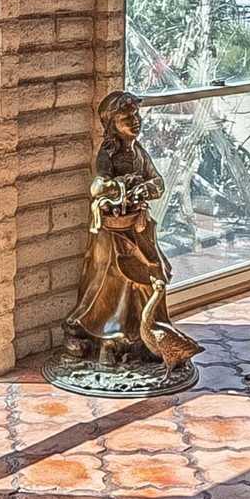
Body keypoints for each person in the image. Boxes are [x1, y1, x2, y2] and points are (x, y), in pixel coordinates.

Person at [67, 90, 198, 370]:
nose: (135, 121)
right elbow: (98, 186)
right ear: (112, 123)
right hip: (113, 233)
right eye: (126, 117)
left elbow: (158, 183)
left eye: (136, 115)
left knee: (150, 276)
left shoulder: (139, 152)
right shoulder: (108, 153)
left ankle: (145, 335)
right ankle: (108, 335)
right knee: (112, 280)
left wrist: (144, 188)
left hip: (138, 228)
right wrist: (121, 187)